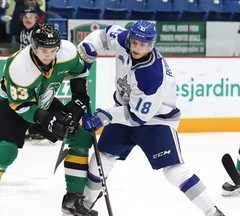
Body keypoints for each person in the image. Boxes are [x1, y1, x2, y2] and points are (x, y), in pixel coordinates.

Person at [77, 20, 225, 216]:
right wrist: (88, 49)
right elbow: (103, 36)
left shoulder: (152, 75)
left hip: (156, 120)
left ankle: (212, 212)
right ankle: (84, 207)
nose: (137, 47)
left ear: (151, 45)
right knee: (101, 160)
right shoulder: (123, 39)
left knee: (174, 172)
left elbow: (138, 117)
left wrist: (103, 117)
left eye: (143, 44)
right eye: (135, 42)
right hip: (124, 111)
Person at [0, 23, 97, 216]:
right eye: (43, 50)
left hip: (43, 100)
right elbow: (22, 107)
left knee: (80, 138)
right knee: (4, 152)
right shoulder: (19, 67)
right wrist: (49, 121)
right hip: (11, 105)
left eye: (52, 50)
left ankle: (72, 201)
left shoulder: (67, 52)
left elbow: (80, 72)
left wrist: (79, 95)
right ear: (33, 47)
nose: (49, 55)